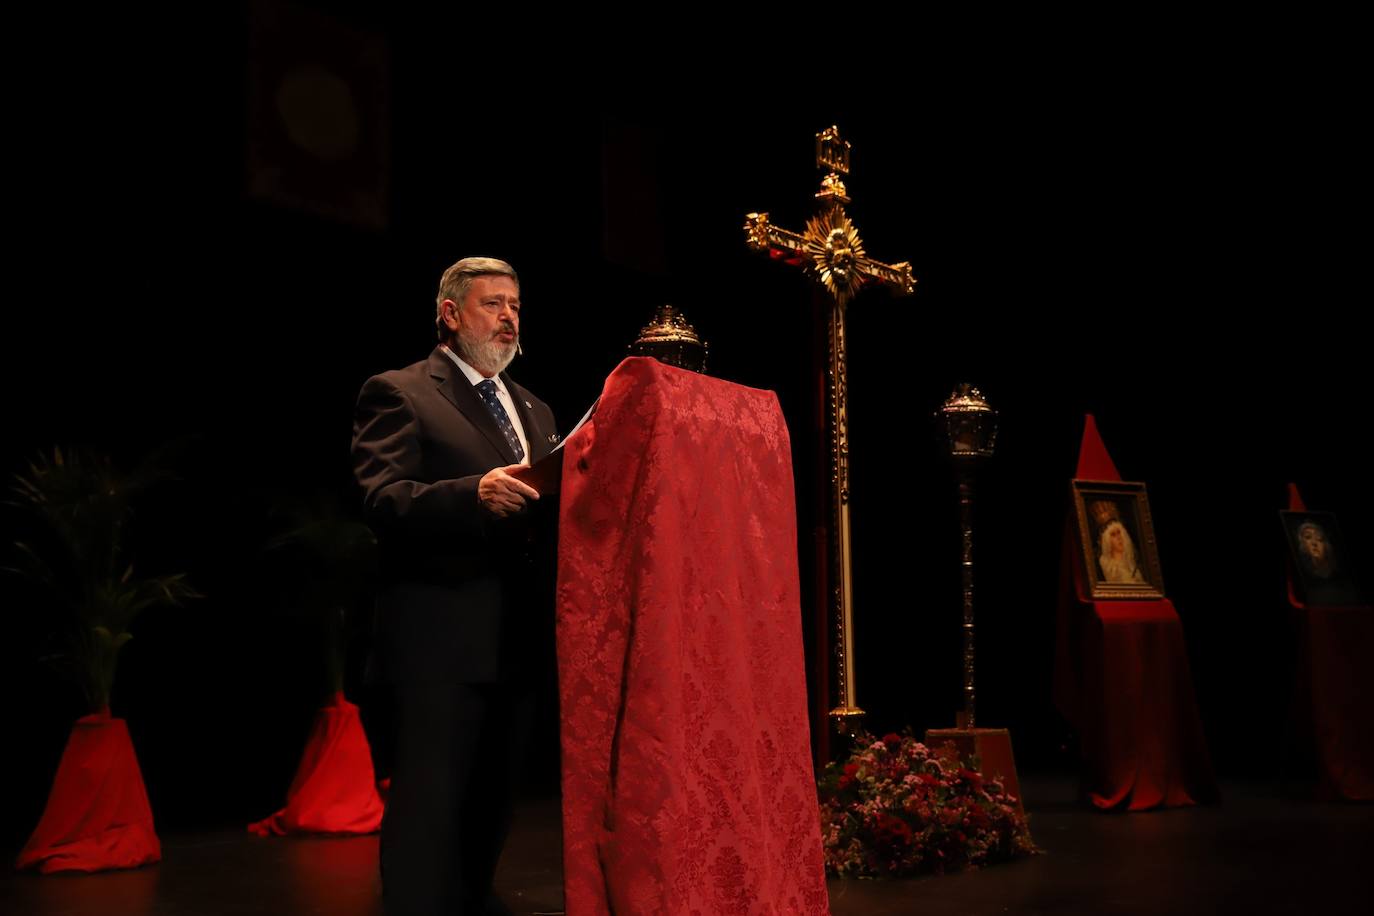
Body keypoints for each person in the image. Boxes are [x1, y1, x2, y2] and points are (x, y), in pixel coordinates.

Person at [352, 257, 558, 915]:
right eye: (493, 304)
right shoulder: (401, 391)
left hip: (517, 642)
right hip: (438, 642)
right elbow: (383, 499)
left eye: (515, 306)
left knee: (491, 809)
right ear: (450, 313)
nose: (508, 318)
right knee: (429, 811)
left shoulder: (535, 408)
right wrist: (472, 494)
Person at [1090, 500, 1147, 585]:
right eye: (1113, 535)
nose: (1119, 537)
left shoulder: (1133, 560)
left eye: (1119, 532)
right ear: (1107, 541)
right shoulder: (1105, 565)